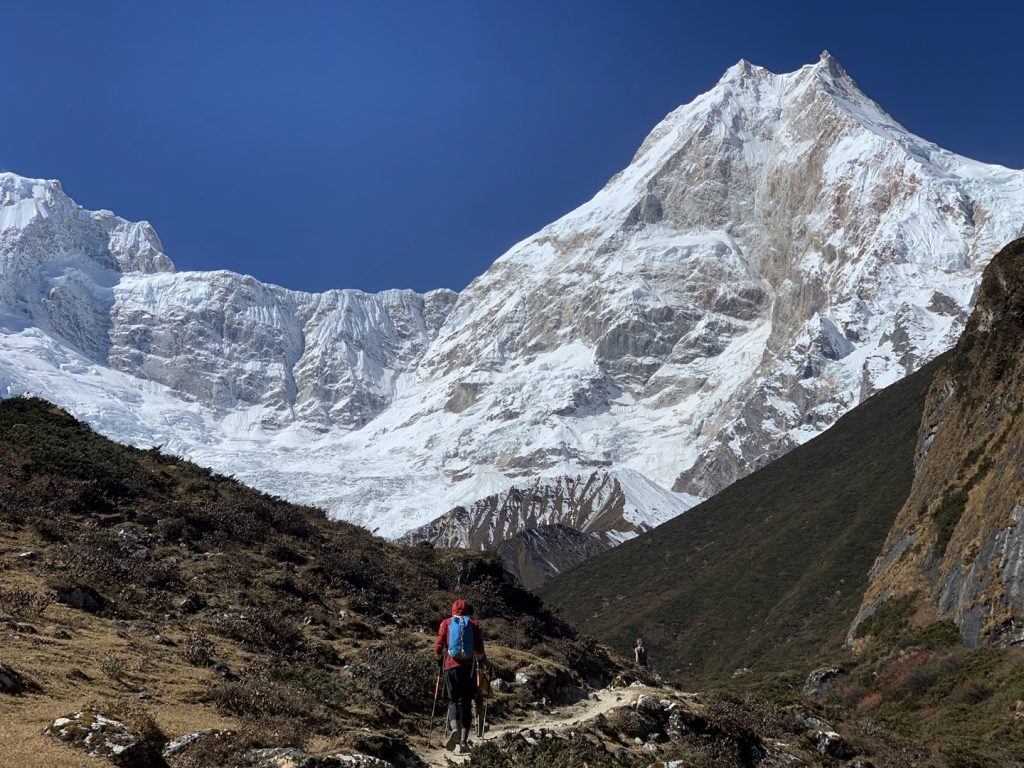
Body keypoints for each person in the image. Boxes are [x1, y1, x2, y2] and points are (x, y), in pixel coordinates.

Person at [436, 599, 486, 752]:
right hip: (468, 669)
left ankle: (454, 729)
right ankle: (463, 742)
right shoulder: (473, 624)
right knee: (465, 703)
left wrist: (439, 657)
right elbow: (480, 646)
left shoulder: (446, 623)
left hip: (450, 667)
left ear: (453, 610)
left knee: (452, 700)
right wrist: (481, 658)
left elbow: (439, 644)